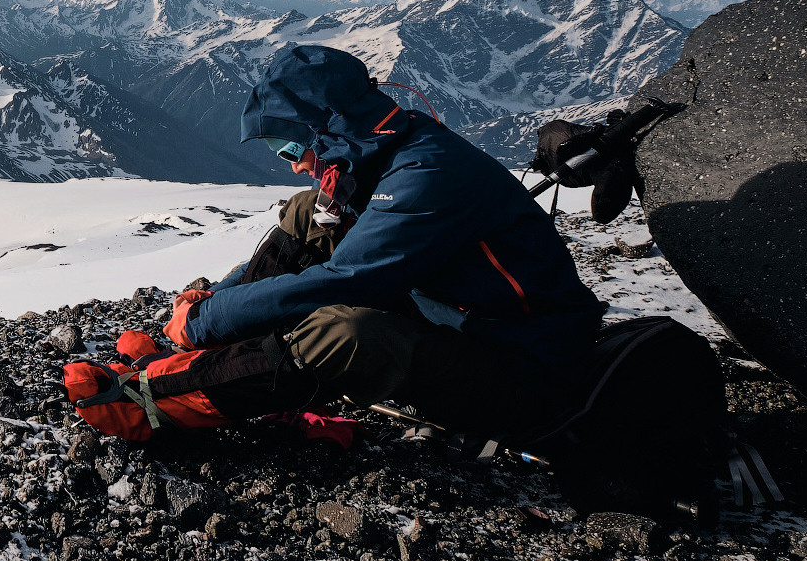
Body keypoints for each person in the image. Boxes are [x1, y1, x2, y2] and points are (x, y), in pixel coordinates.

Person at [162, 44, 606, 437]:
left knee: (341, 330)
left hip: (524, 369)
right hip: (452, 320)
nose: (295, 164)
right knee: (307, 209)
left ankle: (162, 402)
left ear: (331, 129)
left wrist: (207, 317)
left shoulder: (426, 175)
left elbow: (343, 282)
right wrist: (213, 301)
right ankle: (213, 353)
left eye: (293, 148)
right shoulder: (384, 156)